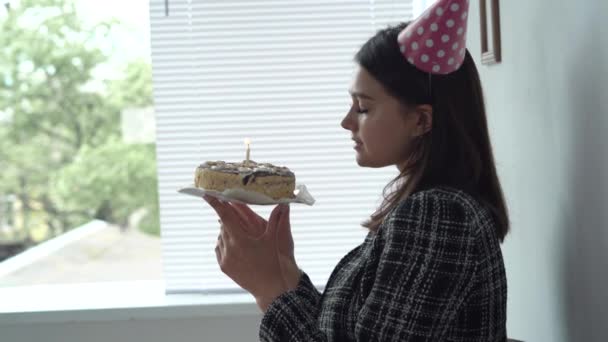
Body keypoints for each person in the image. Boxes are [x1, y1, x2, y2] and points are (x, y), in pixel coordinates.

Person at [203, 1, 509, 340]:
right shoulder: (430, 209)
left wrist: (269, 290)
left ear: (421, 120)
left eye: (363, 107)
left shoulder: (437, 217)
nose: (346, 122)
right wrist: (283, 271)